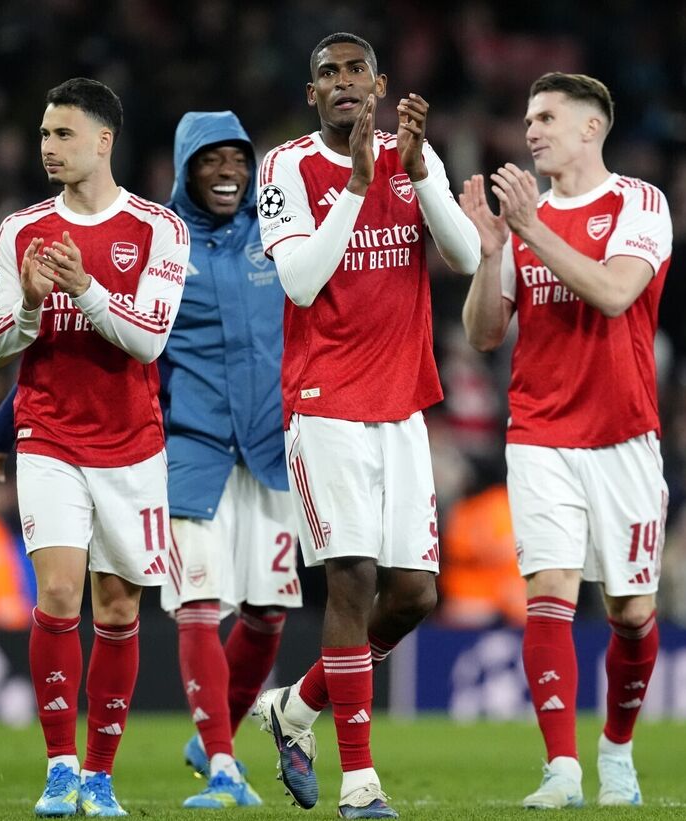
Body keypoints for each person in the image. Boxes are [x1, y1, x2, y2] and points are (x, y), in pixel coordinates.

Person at [0, 110, 300, 811]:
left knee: (263, 612)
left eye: (238, 160)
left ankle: (198, 737)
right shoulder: (103, 232)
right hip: (185, 444)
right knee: (117, 598)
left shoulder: (263, 242)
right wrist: (3, 428)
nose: (227, 172)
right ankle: (180, 762)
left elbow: (301, 327)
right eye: (209, 159)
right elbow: (41, 346)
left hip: (260, 449)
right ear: (185, 166)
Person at [250, 32, 479, 820]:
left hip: (402, 406)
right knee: (350, 579)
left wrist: (419, 174)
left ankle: (296, 707)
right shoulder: (283, 168)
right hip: (323, 403)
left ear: (378, 85)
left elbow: (469, 258)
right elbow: (301, 282)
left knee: (414, 594)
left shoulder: (414, 155)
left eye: (356, 71)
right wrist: (355, 184)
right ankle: (361, 786)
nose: (344, 84)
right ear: (311, 92)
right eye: (328, 74)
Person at [0, 77, 189, 818]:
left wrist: (87, 288)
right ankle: (61, 767)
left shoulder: (158, 227)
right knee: (60, 592)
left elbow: (149, 337)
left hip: (132, 444)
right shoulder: (20, 228)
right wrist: (31, 303)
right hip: (49, 433)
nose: (47, 147)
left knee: (121, 606)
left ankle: (101, 774)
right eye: (42, 134)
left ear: (104, 141)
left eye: (62, 134)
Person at [460, 72, 672, 809]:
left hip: (623, 436)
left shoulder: (640, 204)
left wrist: (529, 232)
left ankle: (616, 750)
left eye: (547, 116)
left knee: (631, 614)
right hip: (540, 432)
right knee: (549, 590)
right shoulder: (527, 222)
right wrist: (492, 252)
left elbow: (615, 293)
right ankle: (563, 768)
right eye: (527, 118)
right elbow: (486, 333)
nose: (532, 130)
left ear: (592, 128)